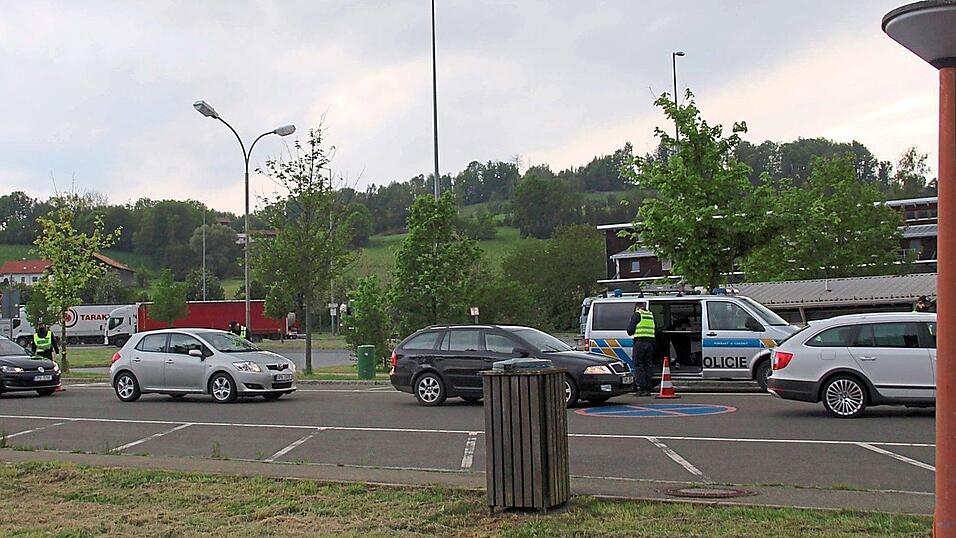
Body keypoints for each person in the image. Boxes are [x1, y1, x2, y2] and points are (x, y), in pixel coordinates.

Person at [627, 300, 657, 396]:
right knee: (648, 365)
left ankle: (641, 388)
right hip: (650, 343)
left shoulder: (637, 314)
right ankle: (648, 388)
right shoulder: (650, 315)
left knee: (638, 365)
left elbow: (630, 330)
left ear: (637, 307)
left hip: (640, 343)